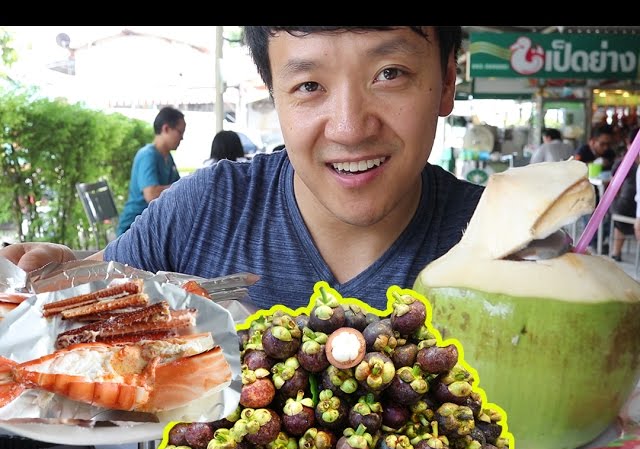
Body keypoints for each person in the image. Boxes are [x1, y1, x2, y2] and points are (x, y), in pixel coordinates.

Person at [1, 26, 483, 312]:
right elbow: (105, 284)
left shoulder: (503, 239)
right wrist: (59, 275)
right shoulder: (207, 210)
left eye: (390, 74)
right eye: (310, 85)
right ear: (274, 93)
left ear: (445, 82)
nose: (350, 128)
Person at [116, 106, 184, 236]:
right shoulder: (148, 155)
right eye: (180, 132)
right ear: (166, 129)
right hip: (134, 228)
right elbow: (151, 194)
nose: (182, 138)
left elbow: (178, 186)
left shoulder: (167, 157)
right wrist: (181, 187)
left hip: (153, 225)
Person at [610, 127, 640, 261]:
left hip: (627, 212)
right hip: (633, 212)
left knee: (617, 207)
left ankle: (615, 252)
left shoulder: (624, 163)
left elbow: (613, 188)